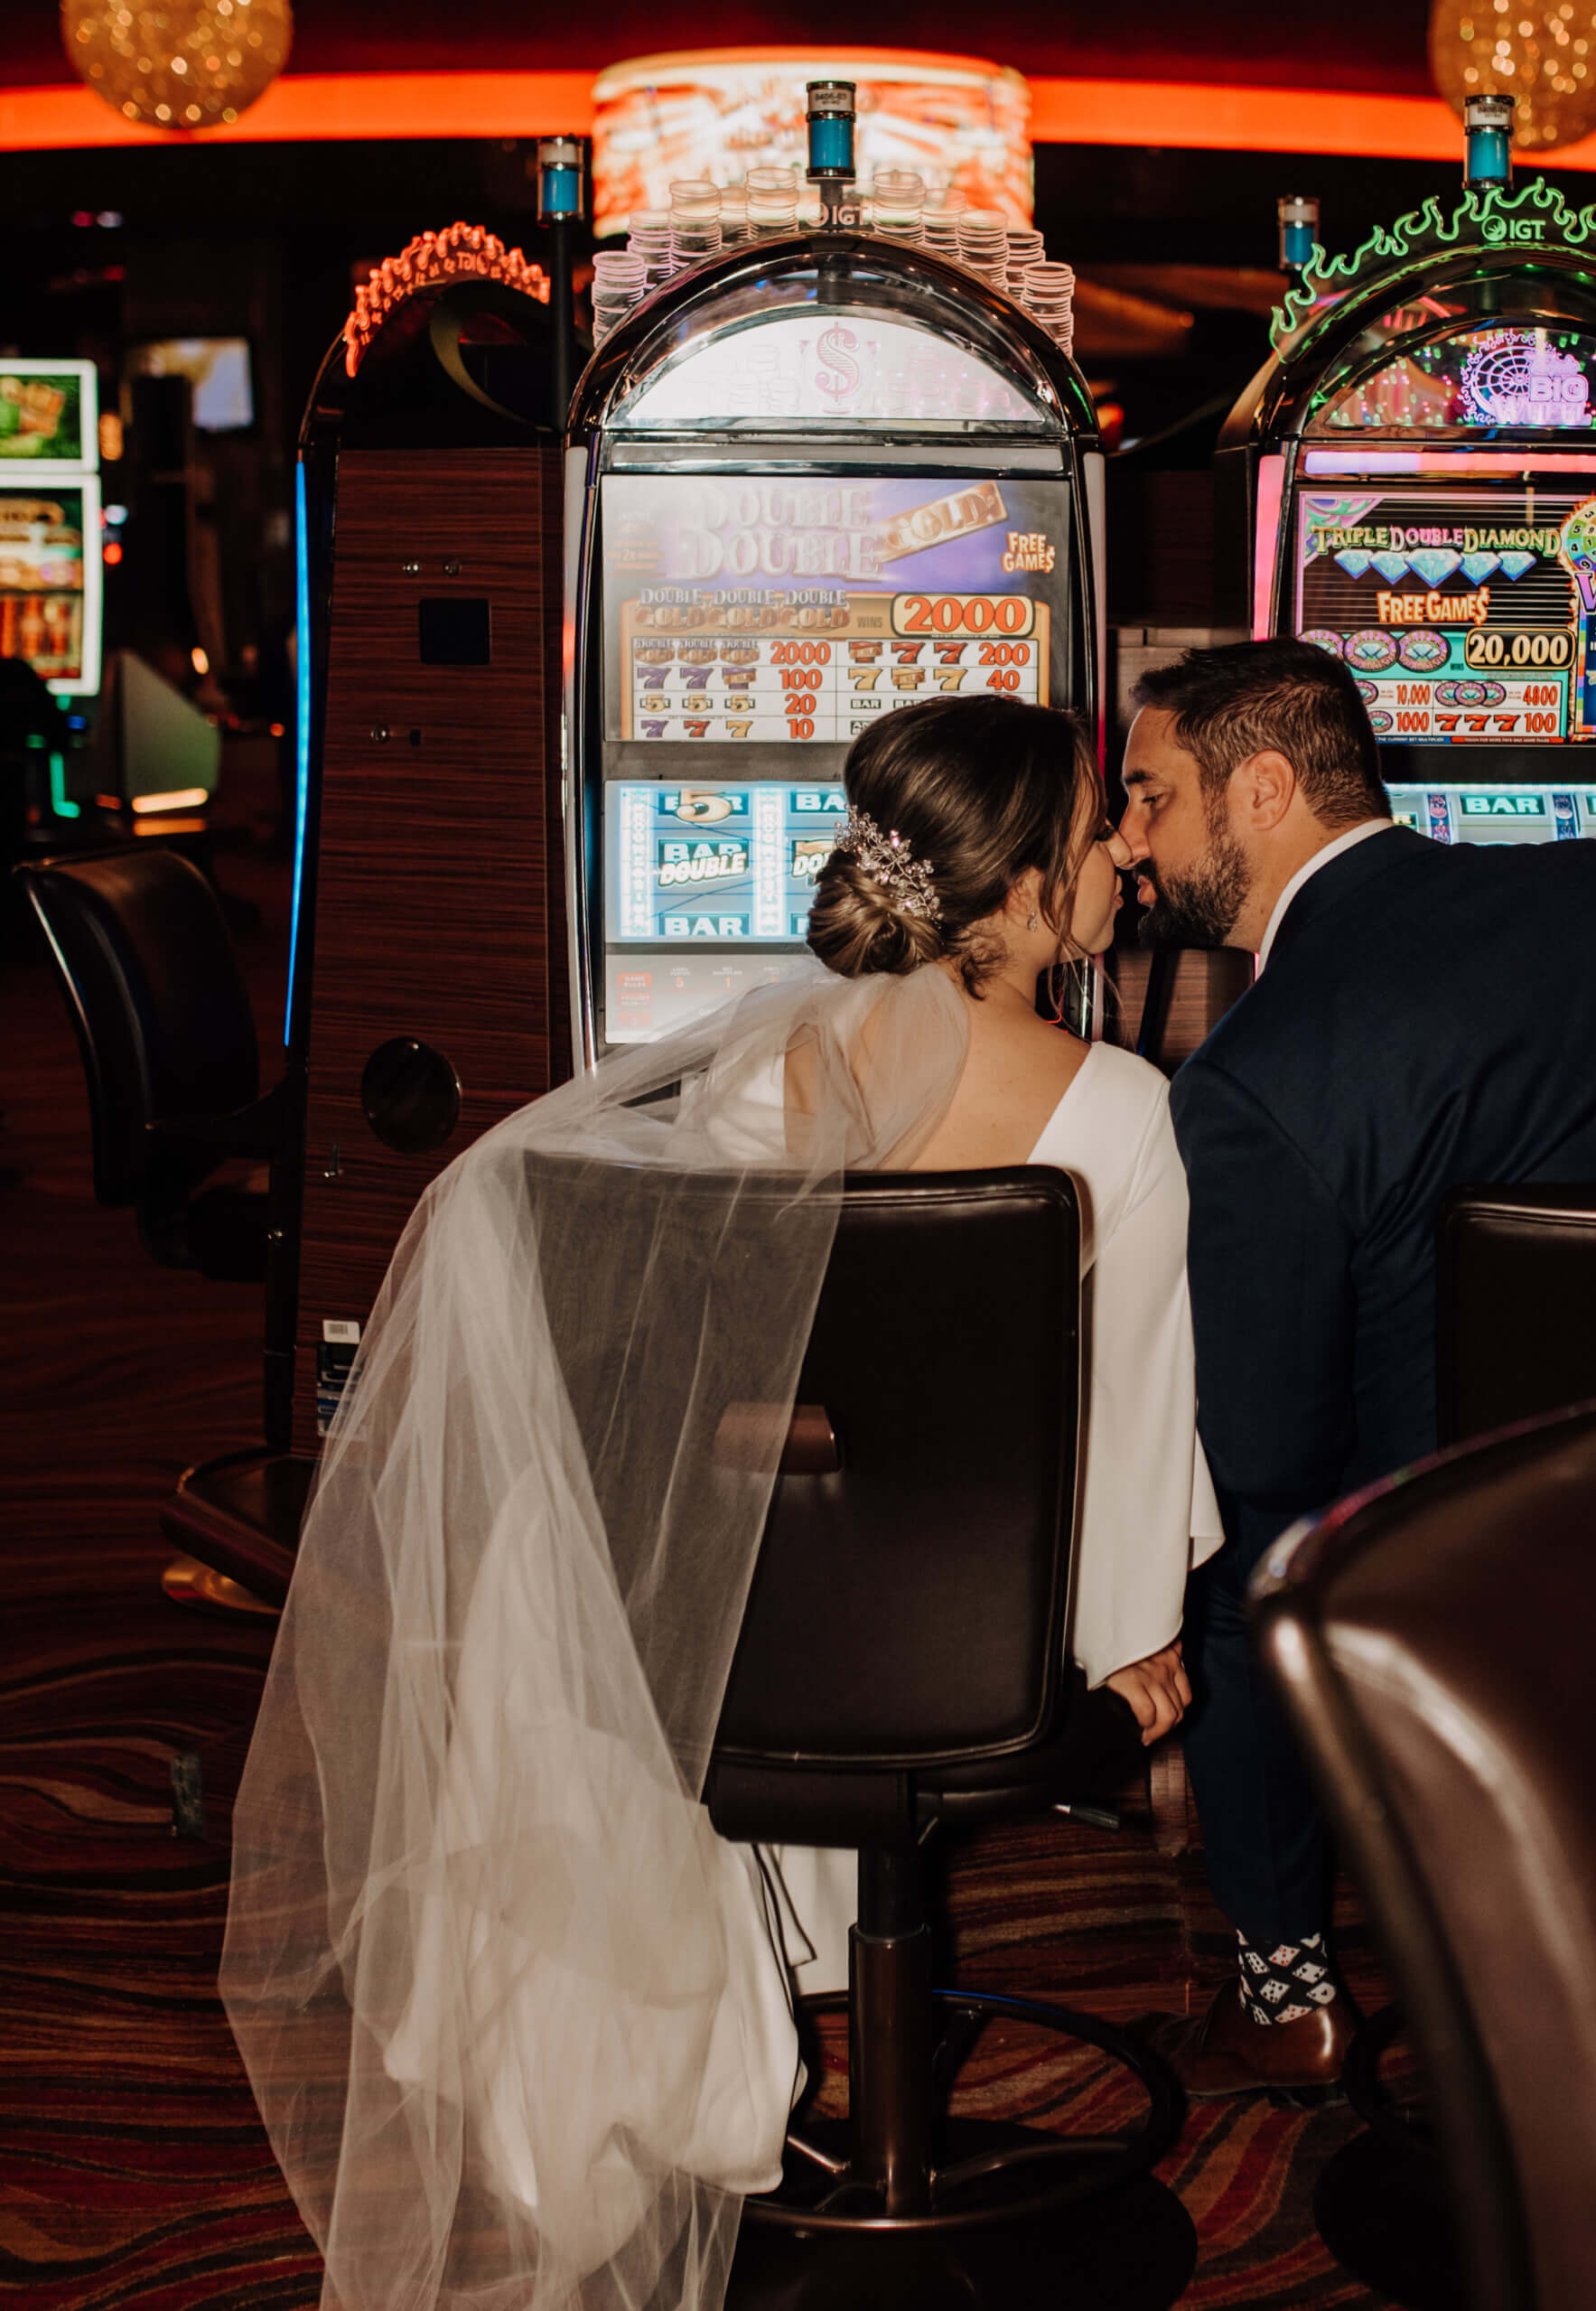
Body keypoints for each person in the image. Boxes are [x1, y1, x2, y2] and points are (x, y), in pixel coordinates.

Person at [222, 695, 1218, 2311]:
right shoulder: (1122, 1110)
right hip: (971, 1644)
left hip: (714, 1624)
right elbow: (1131, 1420)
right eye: (1097, 822)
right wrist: (1131, 1648)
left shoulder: (759, 1068)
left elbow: (685, 1399)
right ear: (1029, 890)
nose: (1121, 847)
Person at [1120, 637, 1596, 2098]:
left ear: (1267, 788)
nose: (1129, 841)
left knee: (1228, 1562)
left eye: (1153, 797)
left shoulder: (1253, 1078)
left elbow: (1277, 1453)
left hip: (1443, 1546)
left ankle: (1288, 1984)